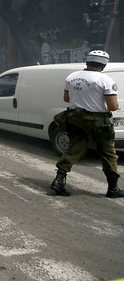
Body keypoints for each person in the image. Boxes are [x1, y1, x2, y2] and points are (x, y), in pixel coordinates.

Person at [50, 50, 124, 198]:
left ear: (87, 62)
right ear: (103, 64)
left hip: (75, 118)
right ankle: (113, 188)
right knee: (108, 154)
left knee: (73, 150)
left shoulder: (72, 77)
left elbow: (66, 98)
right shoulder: (105, 80)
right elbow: (113, 106)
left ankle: (58, 181)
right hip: (98, 122)